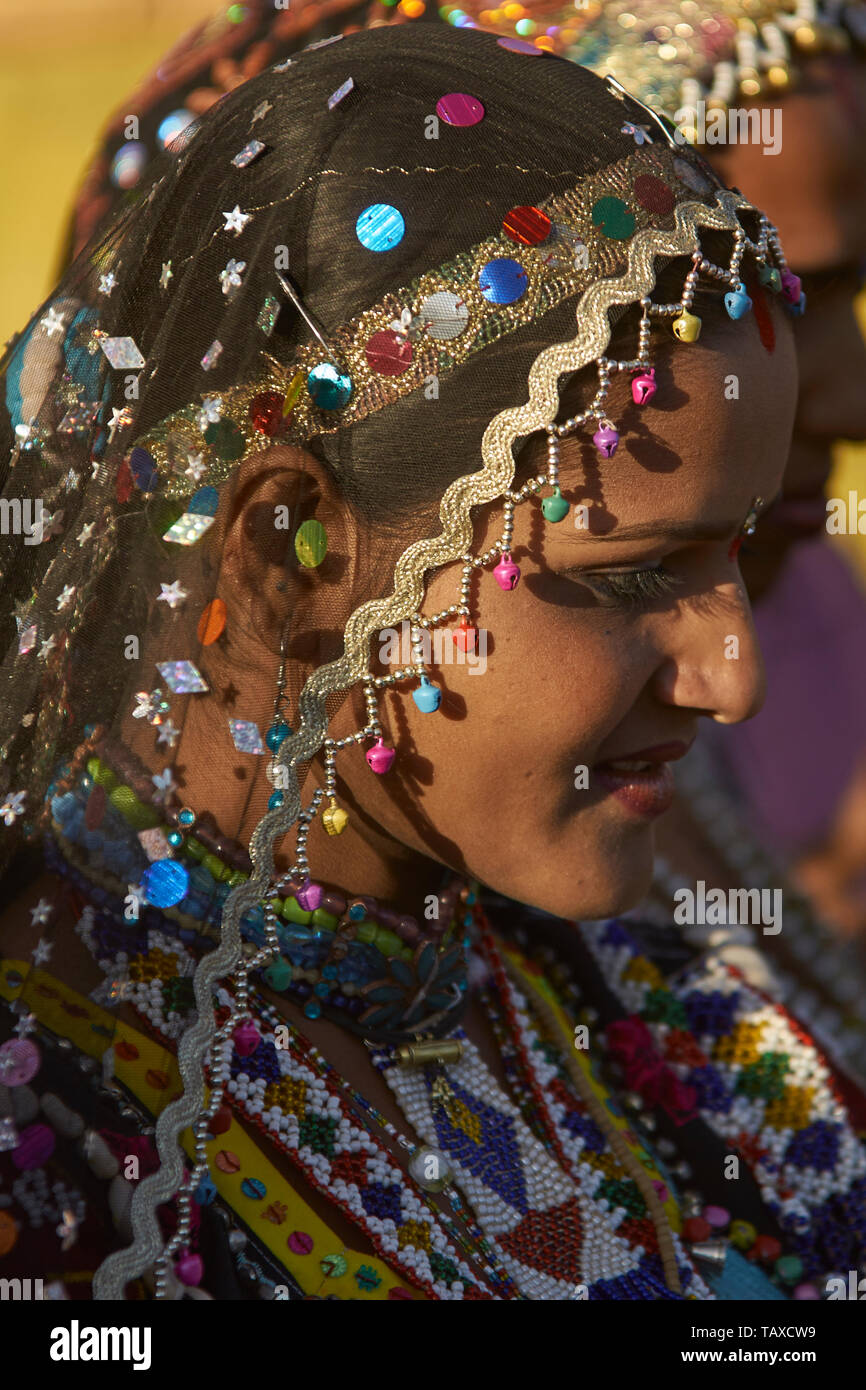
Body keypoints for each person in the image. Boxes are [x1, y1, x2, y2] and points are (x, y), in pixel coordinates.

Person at [0, 24, 861, 1304]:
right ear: (288, 553)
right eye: (627, 573)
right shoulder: (58, 1140)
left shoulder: (616, 983)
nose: (729, 680)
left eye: (732, 555)